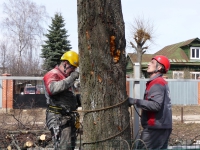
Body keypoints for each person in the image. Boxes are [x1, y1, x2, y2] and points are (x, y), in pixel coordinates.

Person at [129, 55, 172, 149]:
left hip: (155, 129)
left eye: (152, 63)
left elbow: (155, 105)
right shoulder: (159, 82)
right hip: (160, 127)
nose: (148, 64)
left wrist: (134, 101)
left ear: (159, 67)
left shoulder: (157, 83)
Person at [43, 50, 81, 150]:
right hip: (58, 118)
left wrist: (78, 100)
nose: (73, 70)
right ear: (65, 63)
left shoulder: (66, 77)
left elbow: (66, 97)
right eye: (72, 67)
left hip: (67, 117)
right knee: (64, 147)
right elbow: (52, 89)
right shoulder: (53, 74)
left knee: (70, 146)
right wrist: (70, 79)